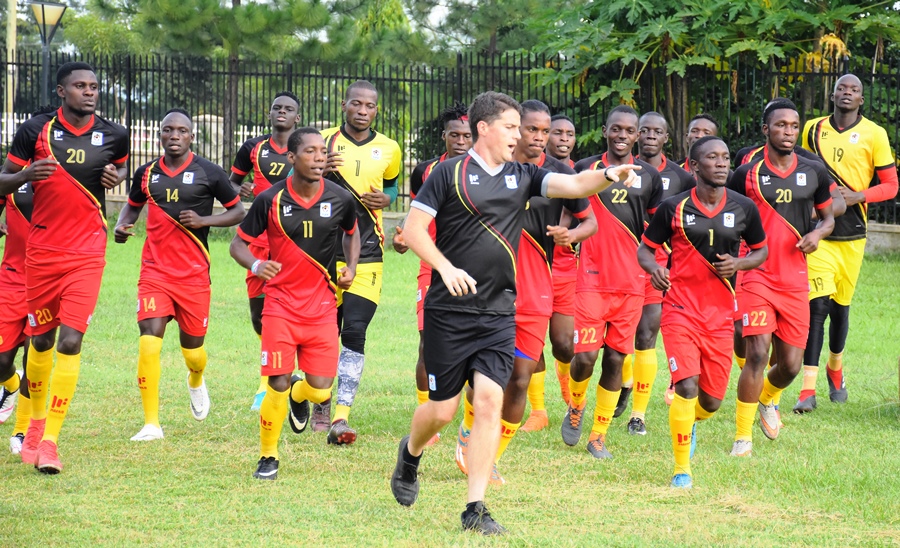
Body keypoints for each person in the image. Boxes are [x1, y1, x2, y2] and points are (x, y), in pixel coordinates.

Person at [389, 91, 639, 534]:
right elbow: (412, 231)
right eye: (509, 127)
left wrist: (608, 174)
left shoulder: (523, 175)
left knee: (489, 400)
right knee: (443, 411)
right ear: (483, 128)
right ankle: (410, 453)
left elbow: (576, 186)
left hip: (500, 310)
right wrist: (445, 268)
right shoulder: (446, 174)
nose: (517, 135)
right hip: (449, 312)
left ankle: (475, 508)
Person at [454, 100, 596, 483]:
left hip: (536, 292)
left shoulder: (557, 175)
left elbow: (589, 222)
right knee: (482, 375)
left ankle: (490, 455)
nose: (537, 137)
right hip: (488, 290)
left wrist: (572, 234)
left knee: (520, 377)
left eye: (544, 131)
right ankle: (469, 430)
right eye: (530, 129)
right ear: (513, 130)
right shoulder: (484, 170)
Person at [0, 62, 129, 473]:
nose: (89, 92)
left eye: (94, 86)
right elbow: (2, 180)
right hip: (41, 253)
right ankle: (33, 424)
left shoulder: (113, 133)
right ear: (61, 91)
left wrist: (116, 175)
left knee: (70, 342)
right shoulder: (34, 131)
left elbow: (122, 167)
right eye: (80, 86)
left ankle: (51, 440)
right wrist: (24, 174)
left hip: (88, 251)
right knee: (41, 343)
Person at [637, 135, 768, 488]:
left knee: (710, 402)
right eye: (713, 157)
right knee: (687, 387)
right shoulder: (673, 208)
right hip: (680, 309)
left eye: (726, 157)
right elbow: (645, 250)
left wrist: (739, 263)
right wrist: (655, 270)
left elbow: (761, 251)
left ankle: (690, 421)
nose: (723, 163)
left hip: (721, 315)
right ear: (695, 166)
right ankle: (682, 469)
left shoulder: (743, 208)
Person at [230, 127, 360, 480]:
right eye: (310, 152)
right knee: (277, 381)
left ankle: (299, 396)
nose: (319, 158)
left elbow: (352, 232)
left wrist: (351, 266)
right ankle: (268, 456)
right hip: (280, 305)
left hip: (321, 307)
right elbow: (237, 245)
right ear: (291, 158)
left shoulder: (339, 197)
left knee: (321, 389)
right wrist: (257, 265)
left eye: (323, 152)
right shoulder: (269, 200)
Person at [114, 109, 245, 441]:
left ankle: (196, 378)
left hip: (194, 276)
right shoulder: (146, 173)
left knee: (193, 352)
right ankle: (151, 424)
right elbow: (132, 204)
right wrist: (122, 223)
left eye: (181, 131)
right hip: (155, 272)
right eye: (168, 130)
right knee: (149, 342)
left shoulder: (210, 173)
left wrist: (204, 221)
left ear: (192, 137)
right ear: (160, 135)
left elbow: (237, 211)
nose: (174, 135)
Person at [726, 99, 835, 456]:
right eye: (780, 125)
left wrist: (817, 235)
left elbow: (828, 217)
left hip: (794, 277)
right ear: (765, 130)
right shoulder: (746, 174)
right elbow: (725, 212)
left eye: (793, 125)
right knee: (757, 353)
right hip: (755, 273)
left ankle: (768, 399)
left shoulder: (814, 171)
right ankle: (742, 438)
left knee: (788, 365)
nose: (787, 132)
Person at [562, 106, 663, 459]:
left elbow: (657, 229)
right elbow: (570, 215)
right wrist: (568, 236)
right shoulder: (585, 170)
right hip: (590, 279)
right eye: (616, 129)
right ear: (605, 131)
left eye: (629, 130)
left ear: (638, 135)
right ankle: (575, 406)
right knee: (586, 357)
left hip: (632, 283)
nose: (622, 135)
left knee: (617, 362)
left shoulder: (650, 177)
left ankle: (598, 435)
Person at [795, 74, 898, 412]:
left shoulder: (875, 134)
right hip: (820, 232)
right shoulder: (811, 129)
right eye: (842, 88)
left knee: (840, 309)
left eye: (854, 89)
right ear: (833, 93)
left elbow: (891, 186)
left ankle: (835, 368)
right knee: (817, 307)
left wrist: (859, 195)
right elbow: (800, 170)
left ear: (861, 99)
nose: (847, 93)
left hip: (854, 235)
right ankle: (807, 391)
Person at [317, 80, 402, 442]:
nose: (363, 111)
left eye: (370, 106)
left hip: (368, 251)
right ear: (344, 105)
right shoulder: (323, 140)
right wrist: (318, 169)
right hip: (321, 253)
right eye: (356, 104)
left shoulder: (390, 148)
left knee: (354, 330)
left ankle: (340, 416)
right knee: (323, 334)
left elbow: (394, 188)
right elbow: (294, 182)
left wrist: (388, 199)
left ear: (376, 110)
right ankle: (313, 394)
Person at [393, 102, 471, 447]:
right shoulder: (426, 171)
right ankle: (428, 414)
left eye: (467, 135)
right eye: (454, 135)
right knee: (429, 343)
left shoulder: (489, 169)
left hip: (476, 268)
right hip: (432, 268)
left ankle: (470, 419)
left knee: (475, 348)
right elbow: (414, 220)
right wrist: (402, 239)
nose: (461, 141)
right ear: (444, 137)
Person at [614, 111, 695, 435]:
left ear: (665, 138)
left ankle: (638, 416)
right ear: (636, 135)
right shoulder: (617, 171)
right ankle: (624, 381)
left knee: (647, 335)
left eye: (656, 131)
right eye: (643, 130)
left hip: (657, 267)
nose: (649, 135)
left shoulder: (681, 177)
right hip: (619, 264)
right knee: (620, 341)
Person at [229, 92, 302, 411]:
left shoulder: (304, 147)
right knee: (260, 317)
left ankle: (271, 382)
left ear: (298, 117)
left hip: (294, 239)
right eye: (277, 108)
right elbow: (231, 183)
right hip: (258, 240)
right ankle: (280, 368)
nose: (282, 112)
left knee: (290, 310)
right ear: (269, 113)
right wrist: (240, 188)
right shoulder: (253, 148)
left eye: (288, 109)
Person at [526, 113, 581, 421]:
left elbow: (591, 221)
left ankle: (568, 388)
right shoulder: (518, 168)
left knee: (563, 344)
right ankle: (538, 410)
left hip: (566, 271)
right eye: (553, 132)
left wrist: (570, 236)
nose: (560, 138)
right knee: (530, 344)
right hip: (531, 269)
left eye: (566, 133)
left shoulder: (579, 173)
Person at [0, 181, 33, 452]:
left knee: (34, 360)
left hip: (46, 281)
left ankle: (23, 431)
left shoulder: (67, 179)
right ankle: (11, 385)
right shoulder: (10, 179)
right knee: (1, 361)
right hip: (10, 281)